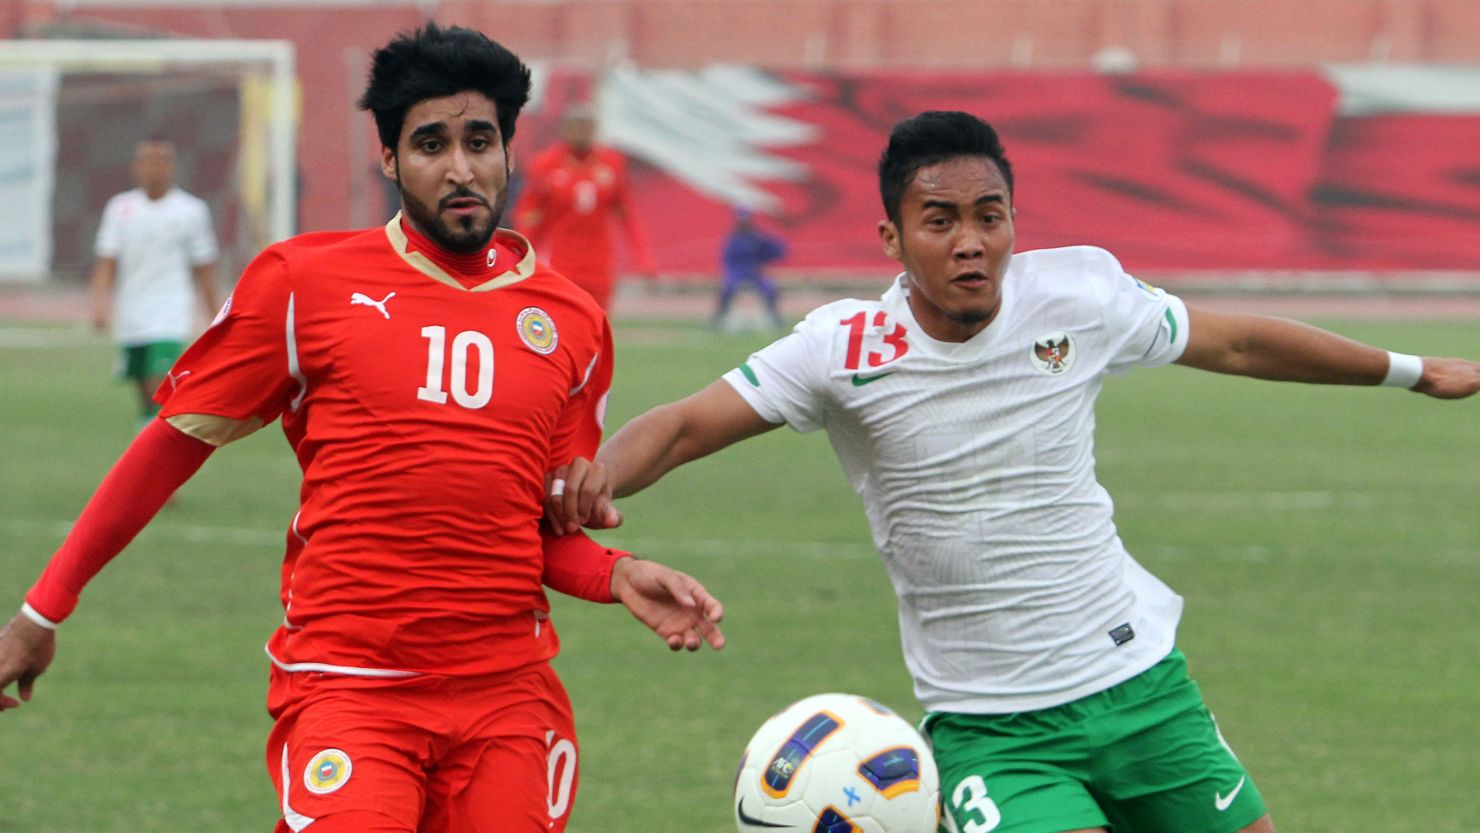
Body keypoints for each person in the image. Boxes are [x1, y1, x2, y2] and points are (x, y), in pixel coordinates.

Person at [544, 111, 1480, 833]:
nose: (971, 243)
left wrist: (1408, 370)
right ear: (891, 238)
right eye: (940, 220)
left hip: (1143, 687)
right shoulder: (845, 348)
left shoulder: (1079, 293)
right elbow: (681, 427)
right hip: (993, 728)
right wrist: (596, 478)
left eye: (990, 218)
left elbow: (1233, 342)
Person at [0, 24, 724, 833]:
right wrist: (43, 608)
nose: (459, 168)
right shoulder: (304, 285)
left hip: (507, 695)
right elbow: (168, 448)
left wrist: (618, 573)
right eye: (430, 144)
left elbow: (534, 528)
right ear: (389, 159)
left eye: (479, 141)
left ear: (509, 152)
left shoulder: (573, 324)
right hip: (348, 682)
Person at [91, 137, 221, 428]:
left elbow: (205, 267)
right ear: (136, 167)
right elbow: (106, 261)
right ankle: (147, 434)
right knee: (143, 389)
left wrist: (215, 315)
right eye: (148, 161)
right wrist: (100, 303)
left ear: (172, 166)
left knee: (159, 384)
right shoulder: (120, 208)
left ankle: (157, 444)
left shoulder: (191, 210)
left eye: (161, 160)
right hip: (132, 309)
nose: (154, 167)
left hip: (170, 309)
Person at [517, 103, 657, 311]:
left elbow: (627, 215)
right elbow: (530, 216)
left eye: (586, 126)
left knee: (598, 325)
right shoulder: (545, 165)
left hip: (599, 265)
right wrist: (523, 260)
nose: (581, 132)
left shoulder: (612, 163)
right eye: (576, 126)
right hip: (560, 263)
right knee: (562, 324)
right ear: (563, 130)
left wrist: (643, 258)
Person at [712, 208, 786, 331]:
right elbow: (728, 259)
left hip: (754, 271)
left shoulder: (757, 237)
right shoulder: (733, 239)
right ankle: (719, 316)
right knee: (727, 290)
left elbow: (773, 252)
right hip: (737, 271)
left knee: (769, 289)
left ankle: (774, 316)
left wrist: (765, 255)